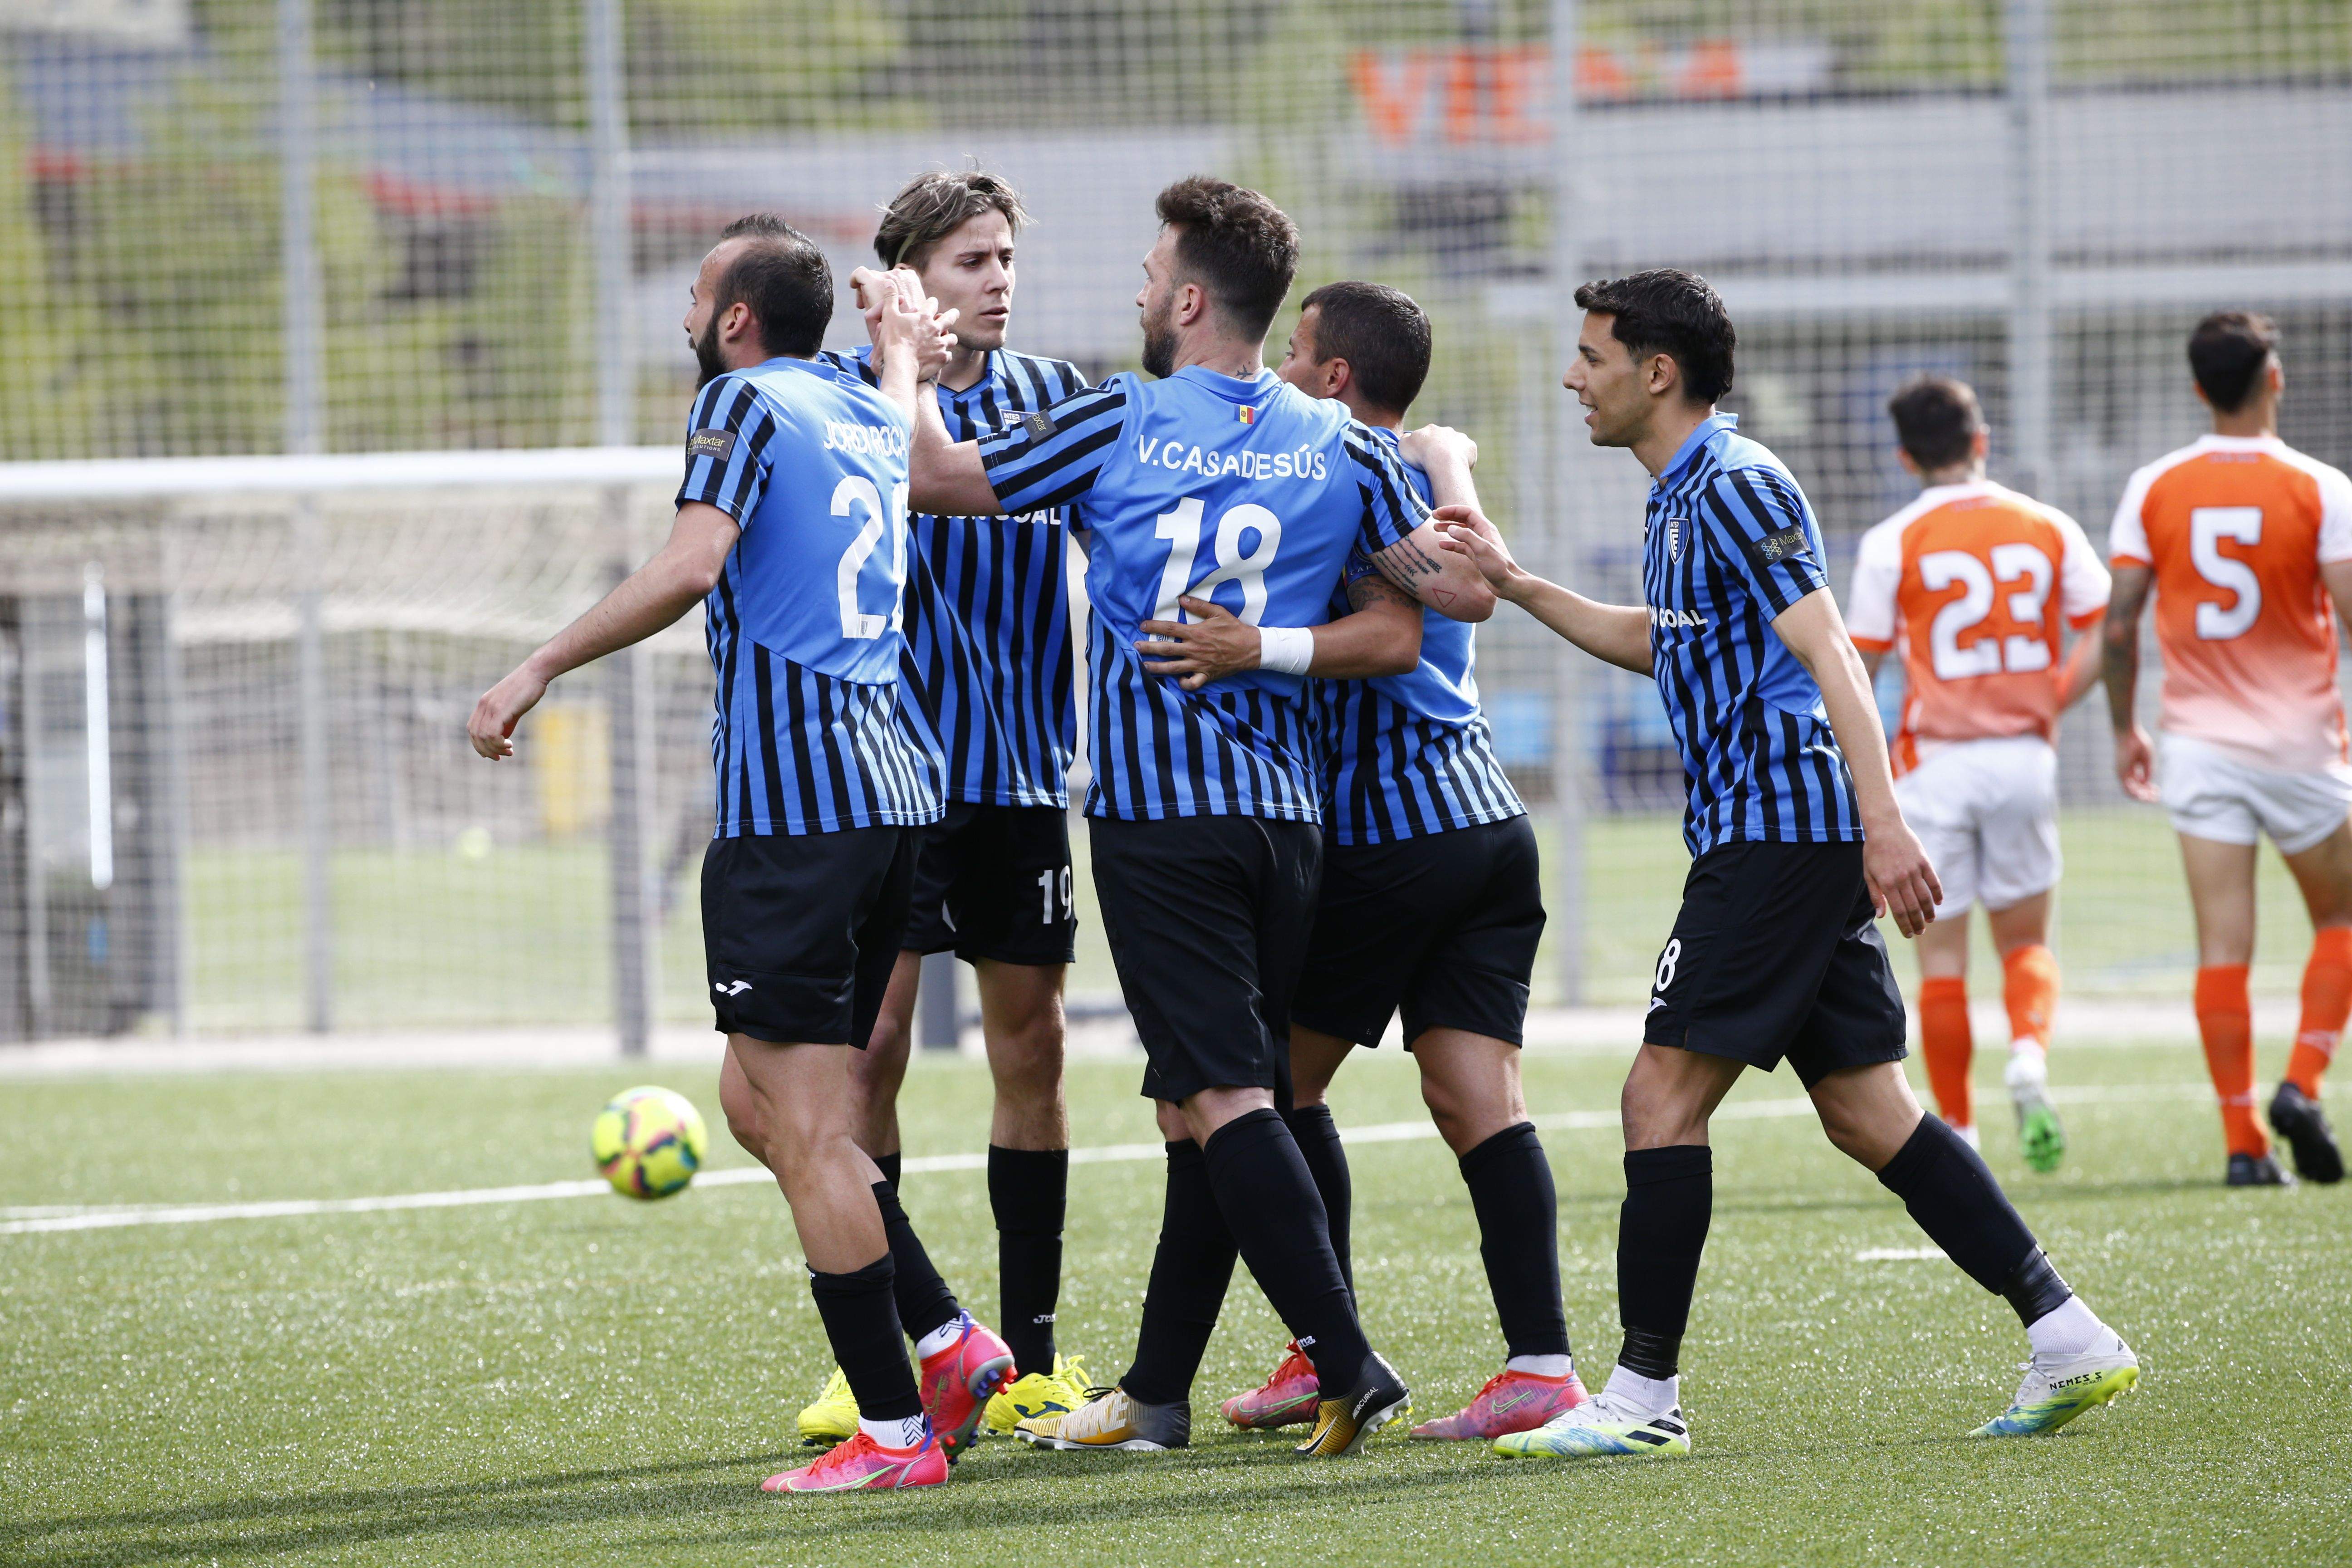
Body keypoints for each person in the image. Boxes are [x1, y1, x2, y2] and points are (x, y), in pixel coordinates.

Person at [1440, 269, 2137, 1460]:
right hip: (1773, 833)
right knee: (1869, 1114)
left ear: (1656, 373)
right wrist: (1515, 584)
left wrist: (1887, 823)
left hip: (1781, 834)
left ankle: (1642, 1401)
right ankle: (2068, 1332)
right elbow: (1662, 644)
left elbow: (1835, 655)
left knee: (1657, 1098)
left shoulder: (1738, 481)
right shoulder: (1676, 497)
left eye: (1592, 356)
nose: (1573, 376)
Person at [869, 175, 1497, 1458]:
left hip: (1164, 826)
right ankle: (1156, 1393)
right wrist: (1273, 641)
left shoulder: (1119, 421)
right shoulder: (1342, 440)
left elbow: (926, 473)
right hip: (1289, 823)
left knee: (1220, 1101)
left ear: (1193, 298)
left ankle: (1344, 1353)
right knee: (1210, 1101)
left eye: (1153, 271)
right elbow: (1427, 614)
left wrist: (902, 353)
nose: (1139, 288)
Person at [467, 216, 1013, 1494]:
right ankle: (944, 1338)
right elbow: (895, 391)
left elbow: (694, 561)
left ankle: (891, 1437)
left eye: (697, 295)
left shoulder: (744, 407)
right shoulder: (863, 404)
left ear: (731, 321)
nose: (684, 316)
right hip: (891, 803)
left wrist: (540, 662)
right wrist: (899, 342)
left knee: (812, 1128)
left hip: (798, 820)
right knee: (755, 1102)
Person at [1156, 281, 1581, 1443]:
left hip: (1394, 835)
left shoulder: (1340, 469)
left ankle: (1318, 1350)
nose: (1278, 368)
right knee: (1476, 1096)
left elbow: (1453, 595)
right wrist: (1450, 467)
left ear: (1336, 377)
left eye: (1294, 352)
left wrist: (1256, 639)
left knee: (1257, 1094)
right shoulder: (1391, 467)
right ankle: (1541, 1364)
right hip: (1487, 820)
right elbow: (1468, 577)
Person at [792, 169, 1096, 1452]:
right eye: (972, 261)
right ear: (910, 275)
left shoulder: (1063, 400)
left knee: (1032, 1050)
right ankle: (901, 1358)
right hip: (893, 779)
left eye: (1008, 259)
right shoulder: (842, 405)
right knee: (871, 1057)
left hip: (1023, 775)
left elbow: (967, 485)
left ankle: (1022, 1357)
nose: (1000, 281)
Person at [2104, 310, 2352, 1186]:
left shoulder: (2154, 487)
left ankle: (2243, 1146)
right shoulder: (2321, 488)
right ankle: (2303, 1083)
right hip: (2301, 747)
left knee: (2223, 949)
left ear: (2199, 388)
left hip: (2199, 746)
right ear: (2274, 378)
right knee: (2342, 920)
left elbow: (2121, 625)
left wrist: (2124, 727)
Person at [1845, 375, 2110, 1170]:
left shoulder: (1893, 541)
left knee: (1943, 956)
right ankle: (2028, 1055)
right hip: (2025, 757)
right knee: (2027, 938)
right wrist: (2049, 702)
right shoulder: (2047, 524)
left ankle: (1958, 1127)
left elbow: (1859, 668)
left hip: (1936, 767)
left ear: (1904, 456)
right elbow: (2109, 630)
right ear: (1981, 440)